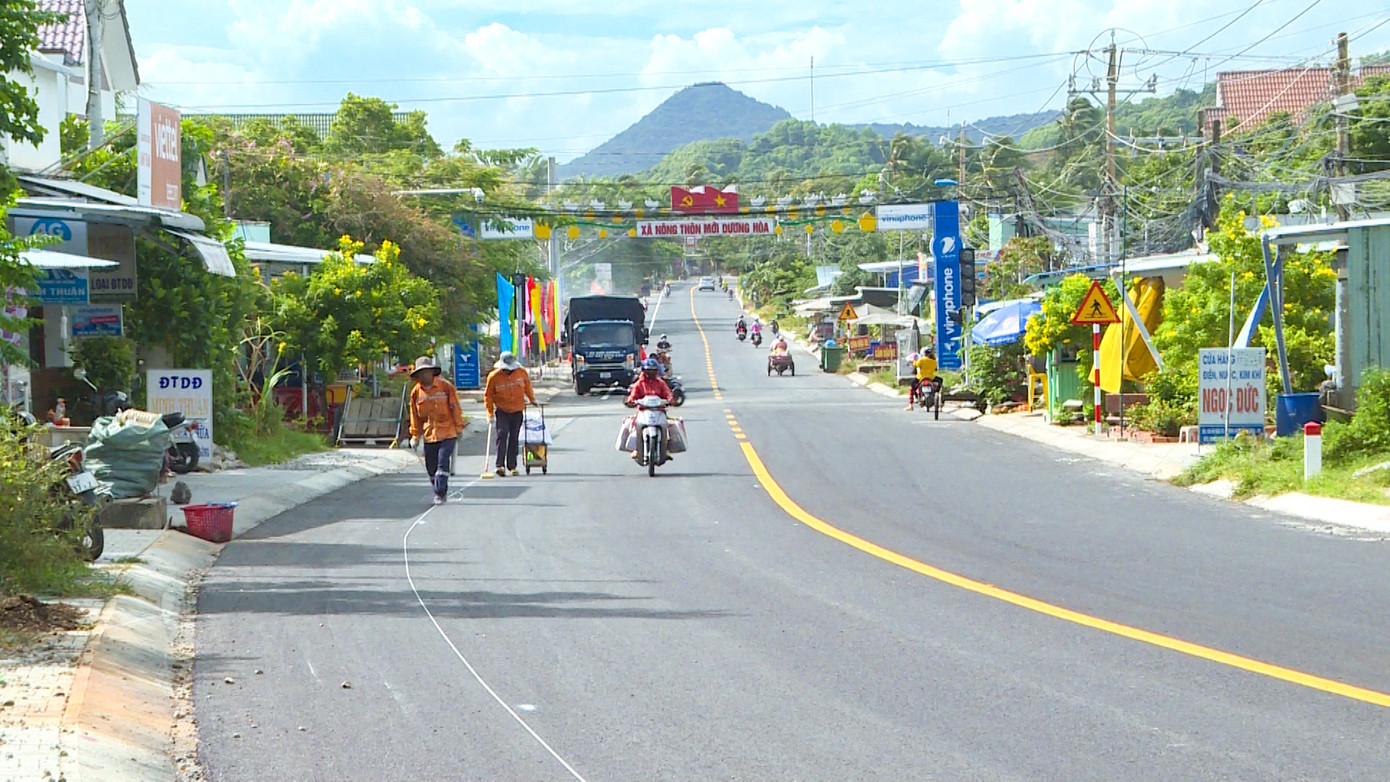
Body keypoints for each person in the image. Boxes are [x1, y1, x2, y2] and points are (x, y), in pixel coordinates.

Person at [407, 357, 464, 504]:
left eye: (427, 372)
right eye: (421, 373)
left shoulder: (445, 387)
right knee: (431, 467)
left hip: (447, 431)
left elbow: (455, 407)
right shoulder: (416, 393)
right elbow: (414, 415)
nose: (425, 375)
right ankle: (438, 489)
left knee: (442, 462)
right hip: (429, 434)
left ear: (432, 372)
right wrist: (415, 435)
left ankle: (440, 493)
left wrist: (459, 428)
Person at [484, 351, 536, 477]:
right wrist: (489, 413)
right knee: (502, 435)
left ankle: (512, 466)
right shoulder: (494, 376)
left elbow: (527, 387)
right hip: (502, 410)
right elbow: (488, 396)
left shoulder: (521, 372)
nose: (509, 371)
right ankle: (499, 465)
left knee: (514, 437)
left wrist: (532, 400)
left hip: (518, 410)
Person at [625, 358, 674, 462]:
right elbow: (632, 395)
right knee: (633, 427)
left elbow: (668, 393)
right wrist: (631, 401)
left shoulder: (660, 383)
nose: (651, 372)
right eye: (648, 370)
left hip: (659, 411)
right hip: (643, 411)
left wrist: (670, 399)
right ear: (644, 371)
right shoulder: (639, 384)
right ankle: (636, 449)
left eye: (653, 370)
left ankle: (666, 450)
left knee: (669, 428)